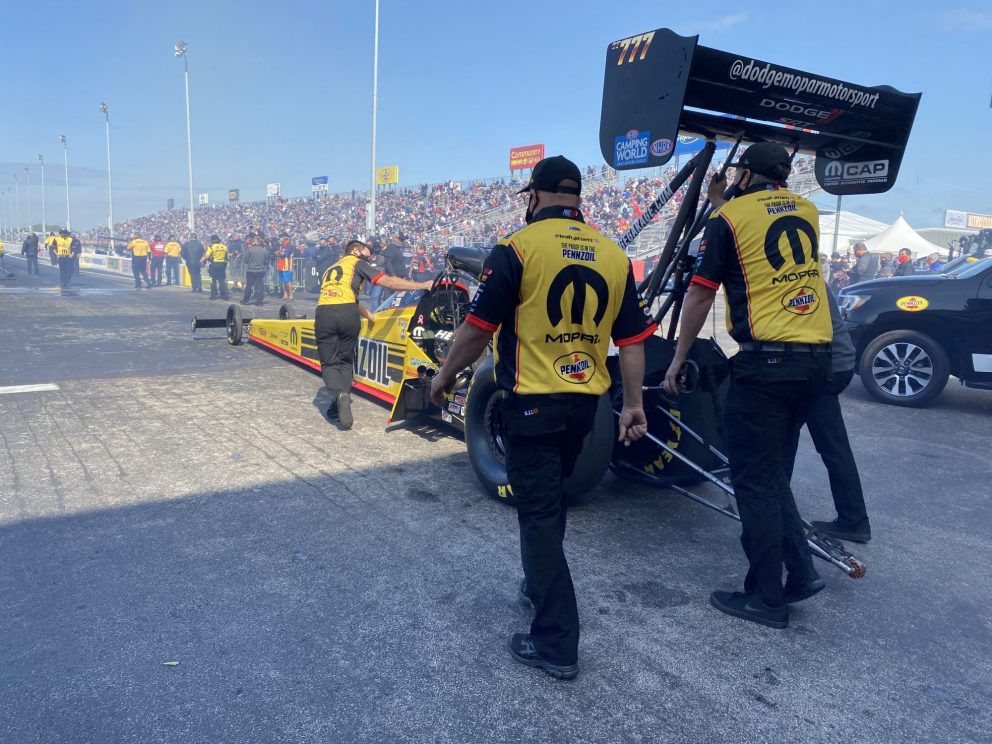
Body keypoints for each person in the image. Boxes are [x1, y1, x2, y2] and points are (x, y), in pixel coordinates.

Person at [429, 156, 655, 680]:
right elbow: (634, 342)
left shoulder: (517, 249)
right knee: (549, 501)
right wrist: (636, 404)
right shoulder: (613, 255)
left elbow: (476, 330)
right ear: (577, 199)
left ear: (534, 196)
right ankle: (537, 584)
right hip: (586, 406)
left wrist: (443, 378)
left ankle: (556, 643)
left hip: (532, 402)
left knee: (536, 516)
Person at [664, 142, 833, 630]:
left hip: (767, 365)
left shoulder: (730, 219)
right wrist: (725, 206)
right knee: (772, 475)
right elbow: (761, 235)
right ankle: (799, 572)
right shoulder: (807, 209)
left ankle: (765, 598)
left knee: (753, 483)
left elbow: (700, 294)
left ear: (743, 175)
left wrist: (678, 357)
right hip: (815, 364)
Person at [783, 286, 872, 545]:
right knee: (829, 444)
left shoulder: (797, 279)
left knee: (788, 438)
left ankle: (780, 510)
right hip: (835, 363)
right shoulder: (808, 272)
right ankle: (854, 519)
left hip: (824, 366)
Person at [314, 239, 431, 429]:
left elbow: (340, 296)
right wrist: (421, 285)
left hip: (325, 313)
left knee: (329, 362)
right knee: (345, 360)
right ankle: (341, 401)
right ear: (354, 250)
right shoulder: (356, 263)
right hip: (348, 315)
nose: (370, 256)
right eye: (366, 252)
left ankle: (338, 397)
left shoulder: (331, 268)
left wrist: (368, 314)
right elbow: (389, 283)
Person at [242, 234, 269, 305]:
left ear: (254, 242)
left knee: (249, 286)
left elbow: (245, 260)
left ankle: (246, 300)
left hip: (251, 270)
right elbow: (266, 261)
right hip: (260, 270)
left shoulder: (249, 250)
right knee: (260, 286)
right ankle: (259, 301)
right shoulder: (264, 250)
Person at [201, 235, 230, 300]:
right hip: (222, 264)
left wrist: (201, 261)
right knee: (222, 280)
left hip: (214, 264)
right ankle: (225, 295)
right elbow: (227, 257)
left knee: (213, 280)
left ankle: (214, 296)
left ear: (212, 240)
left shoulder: (211, 247)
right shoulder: (224, 247)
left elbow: (207, 256)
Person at [276, 233, 296, 300]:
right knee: (283, 281)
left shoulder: (289, 246)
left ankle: (291, 295)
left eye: (282, 237)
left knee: (288, 280)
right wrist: (279, 252)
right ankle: (285, 294)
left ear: (286, 237)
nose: (281, 238)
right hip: (280, 265)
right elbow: (278, 253)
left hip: (287, 266)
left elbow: (284, 254)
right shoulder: (281, 246)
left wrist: (279, 252)